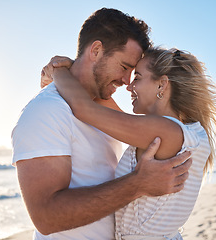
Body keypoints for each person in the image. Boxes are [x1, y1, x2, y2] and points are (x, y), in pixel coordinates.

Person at [12, 8, 192, 240]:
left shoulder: (105, 109)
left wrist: (61, 69)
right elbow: (46, 218)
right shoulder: (47, 110)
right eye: (125, 67)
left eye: (134, 73)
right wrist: (138, 184)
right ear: (96, 50)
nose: (127, 82)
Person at [41, 46, 216, 240]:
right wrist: (76, 69)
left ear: (161, 85)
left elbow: (83, 108)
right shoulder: (185, 132)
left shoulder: (167, 132)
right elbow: (99, 104)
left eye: (137, 78)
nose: (129, 86)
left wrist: (57, 69)